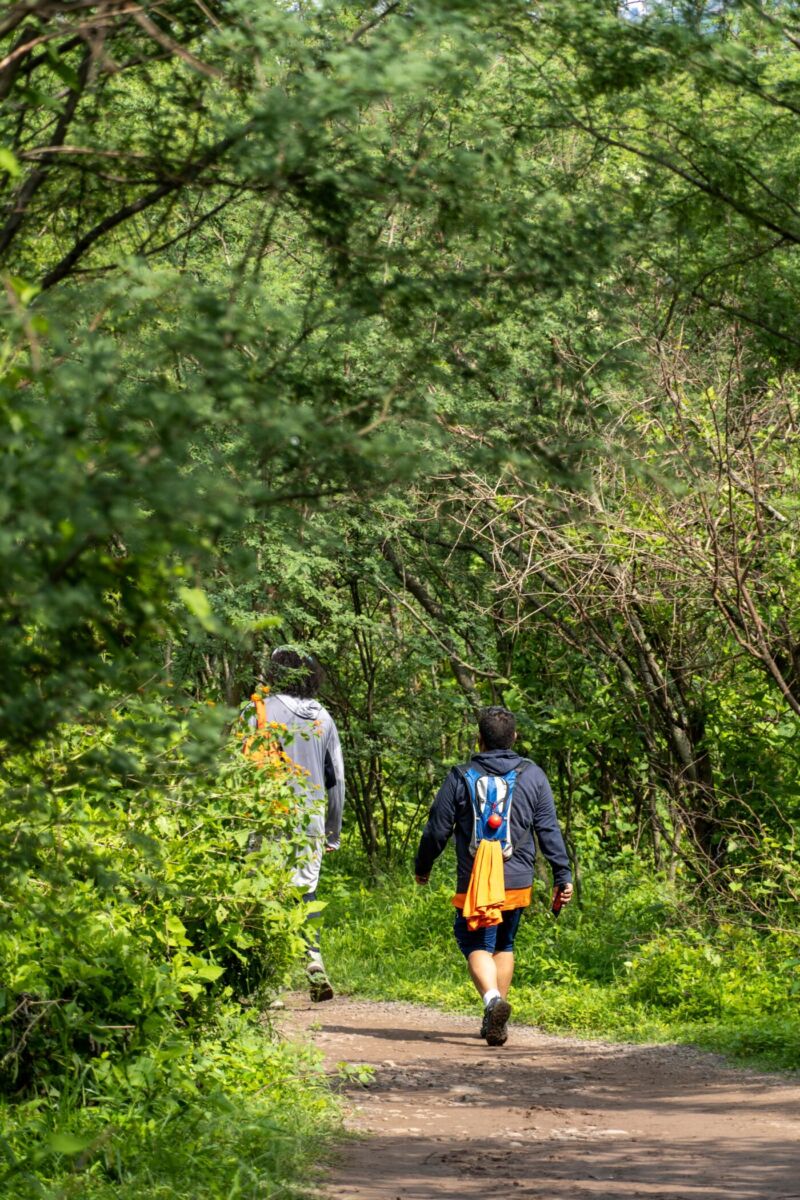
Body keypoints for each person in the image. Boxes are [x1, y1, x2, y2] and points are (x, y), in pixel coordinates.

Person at [414, 706, 573, 1046]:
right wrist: (563, 873)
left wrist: (423, 866)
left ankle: (492, 1002)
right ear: (514, 737)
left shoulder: (460, 776)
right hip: (516, 879)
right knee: (504, 943)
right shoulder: (533, 775)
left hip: (475, 880)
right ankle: (495, 1021)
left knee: (472, 942)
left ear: (479, 739)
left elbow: (437, 829)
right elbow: (548, 829)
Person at [242, 647, 345, 1002]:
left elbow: (238, 764)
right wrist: (332, 830)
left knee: (264, 896)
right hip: (309, 819)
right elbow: (337, 780)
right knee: (304, 892)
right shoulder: (322, 717)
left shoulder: (255, 711)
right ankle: (313, 961)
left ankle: (268, 986)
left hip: (265, 816)